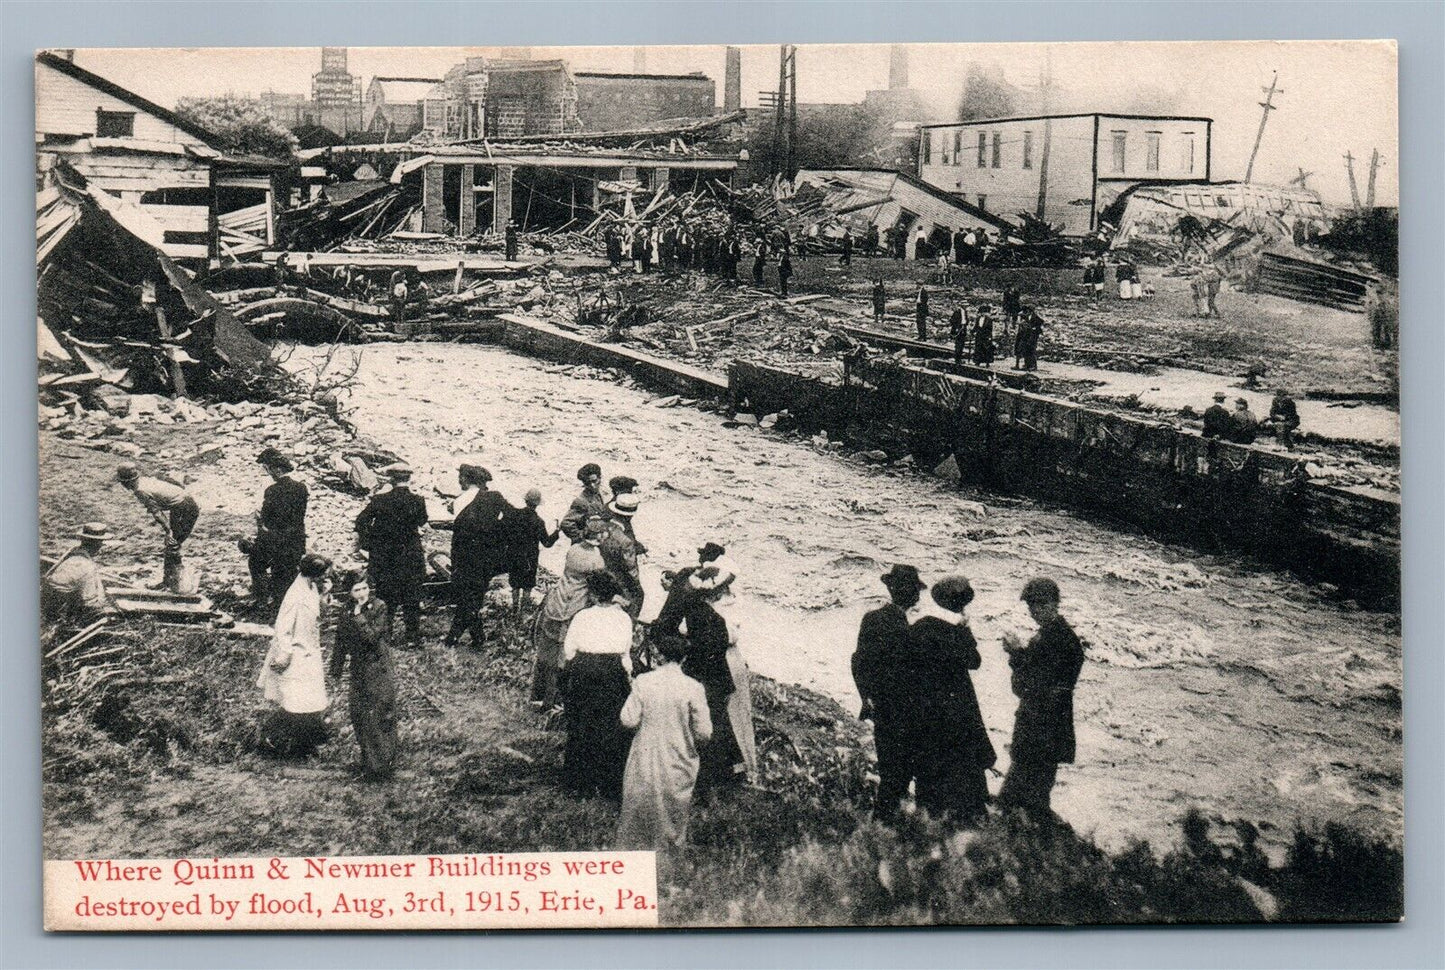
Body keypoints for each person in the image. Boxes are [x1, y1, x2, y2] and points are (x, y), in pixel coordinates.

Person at [905, 576, 995, 824]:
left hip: (927, 714)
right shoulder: (956, 632)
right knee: (964, 777)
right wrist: (966, 628)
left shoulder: (920, 627)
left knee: (930, 779)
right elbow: (974, 661)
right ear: (960, 606)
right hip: (957, 716)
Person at [617, 633, 712, 852]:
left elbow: (628, 720)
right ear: (684, 659)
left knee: (638, 808)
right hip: (678, 756)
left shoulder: (643, 682)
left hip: (645, 754)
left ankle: (634, 856)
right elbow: (704, 733)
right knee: (672, 811)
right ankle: (667, 861)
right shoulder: (694, 688)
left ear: (659, 656)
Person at [998, 578, 1084, 817]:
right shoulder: (1057, 637)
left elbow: (1028, 686)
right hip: (1047, 729)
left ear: (1056, 603)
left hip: (1040, 729)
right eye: (1032, 606)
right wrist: (1021, 654)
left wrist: (1016, 654)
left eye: (1041, 605)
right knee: (1032, 794)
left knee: (1020, 796)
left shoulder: (1054, 640)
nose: (1035, 611)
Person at [852, 564, 927, 821]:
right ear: (910, 594)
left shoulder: (872, 618)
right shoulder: (907, 629)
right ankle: (886, 825)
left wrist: (866, 697)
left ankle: (885, 824)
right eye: (915, 590)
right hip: (901, 710)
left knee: (892, 772)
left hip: (882, 707)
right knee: (899, 774)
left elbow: (857, 661)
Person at [562, 571, 635, 798]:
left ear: (593, 595)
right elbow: (625, 653)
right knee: (611, 727)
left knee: (581, 725)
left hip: (584, 670)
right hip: (612, 672)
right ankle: (610, 784)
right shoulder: (623, 618)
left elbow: (569, 650)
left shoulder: (582, 617)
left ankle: (579, 784)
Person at [679, 565, 747, 792]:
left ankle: (711, 771)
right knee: (717, 722)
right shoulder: (715, 618)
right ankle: (721, 774)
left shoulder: (692, 610)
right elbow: (728, 639)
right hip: (714, 675)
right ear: (714, 593)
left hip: (698, 672)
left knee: (705, 722)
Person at [257, 554, 332, 759]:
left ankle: (305, 745)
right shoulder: (295, 595)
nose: (325, 577)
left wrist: (325, 595)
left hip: (309, 651)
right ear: (313, 575)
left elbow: (319, 613)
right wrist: (285, 655)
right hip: (295, 653)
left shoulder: (312, 588)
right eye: (323, 574)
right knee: (295, 703)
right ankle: (268, 738)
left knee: (308, 701)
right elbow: (283, 628)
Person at [532, 514, 607, 712]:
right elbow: (594, 588)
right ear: (599, 536)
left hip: (557, 600)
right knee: (564, 657)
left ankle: (537, 696)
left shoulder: (573, 550)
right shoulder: (597, 560)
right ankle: (553, 701)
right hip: (574, 606)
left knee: (547, 651)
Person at [330, 569, 398, 780]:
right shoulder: (346, 611)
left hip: (378, 667)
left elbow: (371, 638)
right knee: (359, 714)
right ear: (348, 592)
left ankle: (383, 766)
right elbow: (340, 641)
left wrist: (359, 616)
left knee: (380, 713)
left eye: (364, 588)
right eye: (356, 589)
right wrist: (336, 669)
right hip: (359, 668)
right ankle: (369, 762)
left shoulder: (379, 607)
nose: (361, 594)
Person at [354, 463, 427, 646]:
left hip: (386, 557)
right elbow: (422, 520)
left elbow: (360, 522)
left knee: (387, 597)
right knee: (412, 596)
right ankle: (413, 638)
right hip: (410, 556)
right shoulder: (418, 500)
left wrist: (370, 543)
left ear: (390, 479)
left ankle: (385, 637)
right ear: (408, 479)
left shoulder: (379, 500)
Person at [444, 466, 509, 649]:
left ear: (466, 479)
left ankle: (455, 638)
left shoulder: (461, 501)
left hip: (464, 556)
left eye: (460, 478)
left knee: (465, 598)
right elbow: (509, 518)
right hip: (486, 557)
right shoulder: (494, 498)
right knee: (474, 598)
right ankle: (476, 638)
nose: (458, 481)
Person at [115, 463, 199, 591]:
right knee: (172, 545)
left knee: (172, 544)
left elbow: (157, 513)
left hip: (185, 508)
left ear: (126, 483)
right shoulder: (145, 480)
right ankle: (170, 581)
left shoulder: (140, 490)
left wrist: (168, 531)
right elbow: (175, 483)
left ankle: (175, 583)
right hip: (180, 504)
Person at [248, 448, 308, 614]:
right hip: (296, 539)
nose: (269, 473)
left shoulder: (272, 491)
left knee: (256, 562)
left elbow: (267, 520)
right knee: (286, 572)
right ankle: (283, 602)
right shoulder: (301, 488)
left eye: (269, 469)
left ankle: (263, 600)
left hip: (276, 539)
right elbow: (298, 516)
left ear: (277, 469)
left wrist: (260, 521)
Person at [41, 521, 117, 626]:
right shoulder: (87, 566)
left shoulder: (70, 556)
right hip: (59, 610)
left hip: (46, 601)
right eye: (100, 543)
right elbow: (91, 603)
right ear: (97, 545)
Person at [504, 488, 559, 616]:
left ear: (525, 500)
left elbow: (506, 533)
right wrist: (557, 532)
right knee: (527, 585)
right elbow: (547, 543)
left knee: (515, 584)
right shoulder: (538, 522)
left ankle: (514, 610)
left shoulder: (514, 515)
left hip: (514, 554)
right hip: (530, 558)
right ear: (537, 504)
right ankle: (523, 612)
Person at [600, 492, 645, 619]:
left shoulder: (602, 528)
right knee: (638, 596)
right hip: (617, 580)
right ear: (630, 516)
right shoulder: (625, 541)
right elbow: (631, 570)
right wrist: (637, 587)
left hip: (600, 574)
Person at [560, 463, 608, 542]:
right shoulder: (581, 501)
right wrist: (582, 537)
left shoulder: (598, 494)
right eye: (587, 483)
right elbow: (566, 523)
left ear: (600, 478)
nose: (592, 485)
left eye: (594, 481)